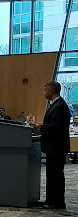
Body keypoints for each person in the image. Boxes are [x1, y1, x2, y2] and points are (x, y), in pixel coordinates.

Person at [35, 81, 70, 209]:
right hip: (54, 147)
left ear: (51, 91)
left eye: (45, 90)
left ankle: (57, 202)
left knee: (56, 175)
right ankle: (51, 200)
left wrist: (42, 126)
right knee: (52, 174)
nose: (44, 93)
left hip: (57, 147)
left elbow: (55, 127)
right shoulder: (56, 105)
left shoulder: (59, 106)